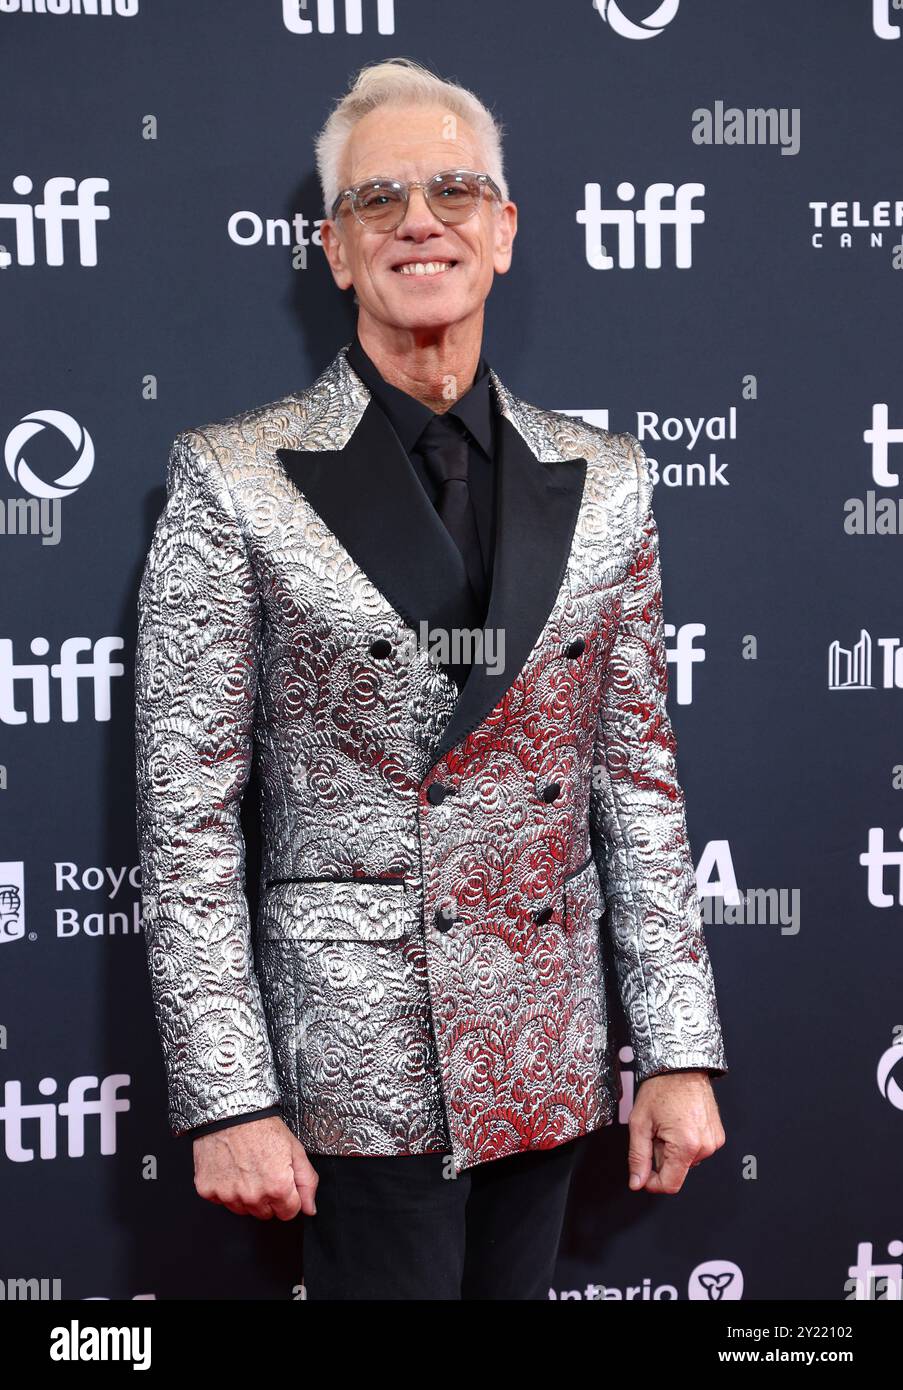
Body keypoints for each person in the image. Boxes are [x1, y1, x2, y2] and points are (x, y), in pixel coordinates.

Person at [134, 56, 728, 1301]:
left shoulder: (609, 479)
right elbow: (186, 820)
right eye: (378, 199)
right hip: (352, 1069)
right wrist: (229, 1095)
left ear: (503, 232)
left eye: (455, 190)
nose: (420, 219)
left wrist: (676, 1047)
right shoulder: (233, 479)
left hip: (544, 1055)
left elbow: (636, 777)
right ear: (335, 250)